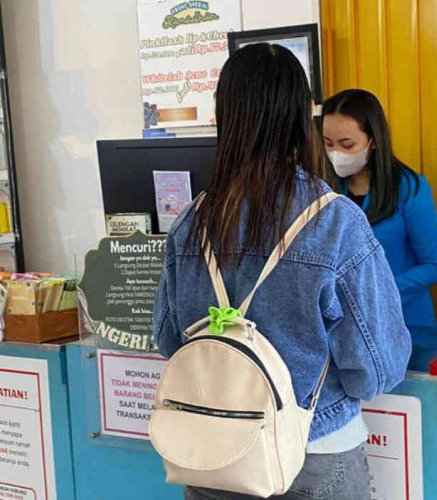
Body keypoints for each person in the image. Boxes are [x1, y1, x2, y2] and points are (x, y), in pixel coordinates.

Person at [153, 44, 412, 500]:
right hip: (316, 450)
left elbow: (170, 339)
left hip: (213, 456)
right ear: (300, 117)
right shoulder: (335, 221)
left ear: (224, 116)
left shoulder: (190, 223)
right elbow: (377, 367)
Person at [322, 89, 437, 327]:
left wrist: (379, 291)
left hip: (403, 322)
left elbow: (435, 266)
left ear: (373, 141)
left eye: (347, 145)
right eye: (328, 144)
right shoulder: (324, 189)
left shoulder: (409, 188)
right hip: (341, 327)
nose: (336, 154)